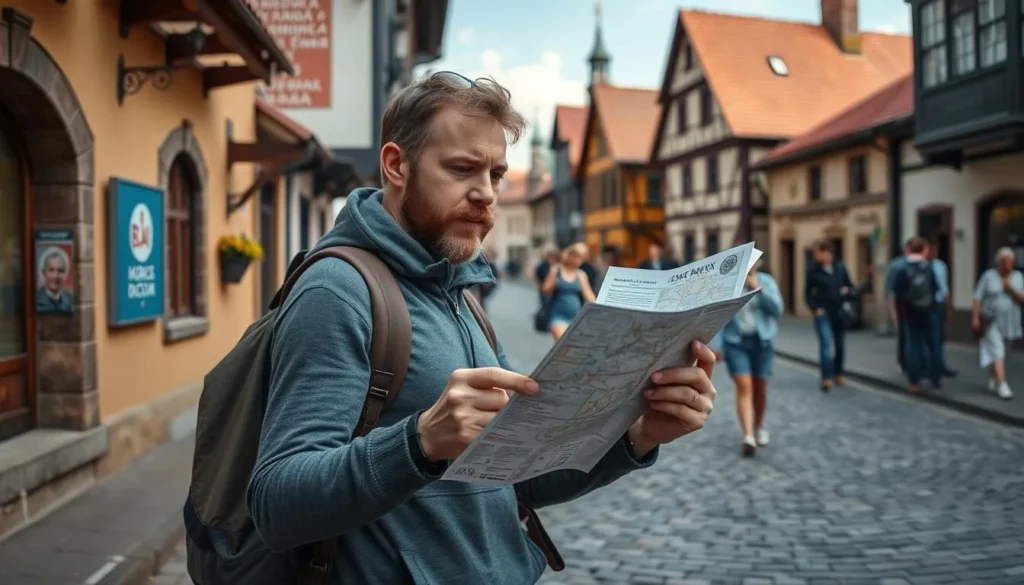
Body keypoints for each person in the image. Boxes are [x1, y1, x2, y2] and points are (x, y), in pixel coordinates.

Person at [248, 71, 719, 585]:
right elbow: (276, 504)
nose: (486, 194)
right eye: (462, 169)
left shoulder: (463, 298)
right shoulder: (337, 292)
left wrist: (639, 436)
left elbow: (520, 475)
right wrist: (419, 442)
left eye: (495, 174)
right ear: (395, 165)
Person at [720, 258, 783, 456]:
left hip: (762, 342)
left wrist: (759, 289)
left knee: (760, 387)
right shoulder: (729, 284)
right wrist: (715, 346)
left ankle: (759, 425)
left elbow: (778, 309)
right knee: (744, 386)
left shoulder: (767, 281)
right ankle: (748, 436)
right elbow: (718, 315)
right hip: (736, 343)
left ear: (757, 264)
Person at [889, 237, 942, 393]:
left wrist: (896, 316)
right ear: (924, 250)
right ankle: (936, 378)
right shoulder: (929, 268)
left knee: (913, 346)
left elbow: (895, 293)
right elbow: (936, 289)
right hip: (929, 311)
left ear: (909, 250)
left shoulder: (902, 268)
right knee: (933, 345)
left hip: (910, 312)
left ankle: (914, 382)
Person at [972, 246, 1023, 400]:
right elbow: (977, 297)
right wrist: (975, 317)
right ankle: (1003, 385)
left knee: (1004, 352)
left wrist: (1010, 288)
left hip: (1010, 321)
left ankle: (994, 375)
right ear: (998, 263)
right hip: (990, 320)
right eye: (1004, 261)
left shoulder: (1018, 277)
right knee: (997, 348)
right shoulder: (988, 276)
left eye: (1010, 261)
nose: (1008, 265)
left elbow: (1021, 299)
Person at [804, 239, 854, 391]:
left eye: (817, 253)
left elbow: (849, 284)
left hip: (839, 311)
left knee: (839, 344)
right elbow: (807, 293)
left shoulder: (840, 267)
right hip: (823, 312)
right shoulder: (813, 270)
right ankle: (826, 377)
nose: (815, 256)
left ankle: (838, 372)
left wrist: (847, 291)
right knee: (826, 344)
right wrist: (815, 308)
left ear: (827, 252)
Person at [541, 242, 597, 340]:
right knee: (563, 342)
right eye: (577, 257)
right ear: (570, 255)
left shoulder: (581, 275)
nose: (579, 261)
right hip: (558, 316)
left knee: (573, 349)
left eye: (582, 258)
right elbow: (546, 291)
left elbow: (590, 296)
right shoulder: (557, 270)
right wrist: (554, 279)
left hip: (576, 318)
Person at [926, 238, 957, 378]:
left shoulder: (941, 266)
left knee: (939, 337)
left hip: (939, 304)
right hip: (927, 305)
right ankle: (931, 367)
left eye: (936, 249)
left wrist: (948, 309)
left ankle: (939, 365)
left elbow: (945, 289)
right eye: (931, 249)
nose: (934, 252)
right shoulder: (922, 265)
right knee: (930, 337)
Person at [35, 247, 73, 313]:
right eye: (51, 270)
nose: (55, 276)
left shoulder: (71, 300)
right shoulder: (35, 300)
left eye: (60, 271)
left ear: (65, 274)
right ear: (44, 272)